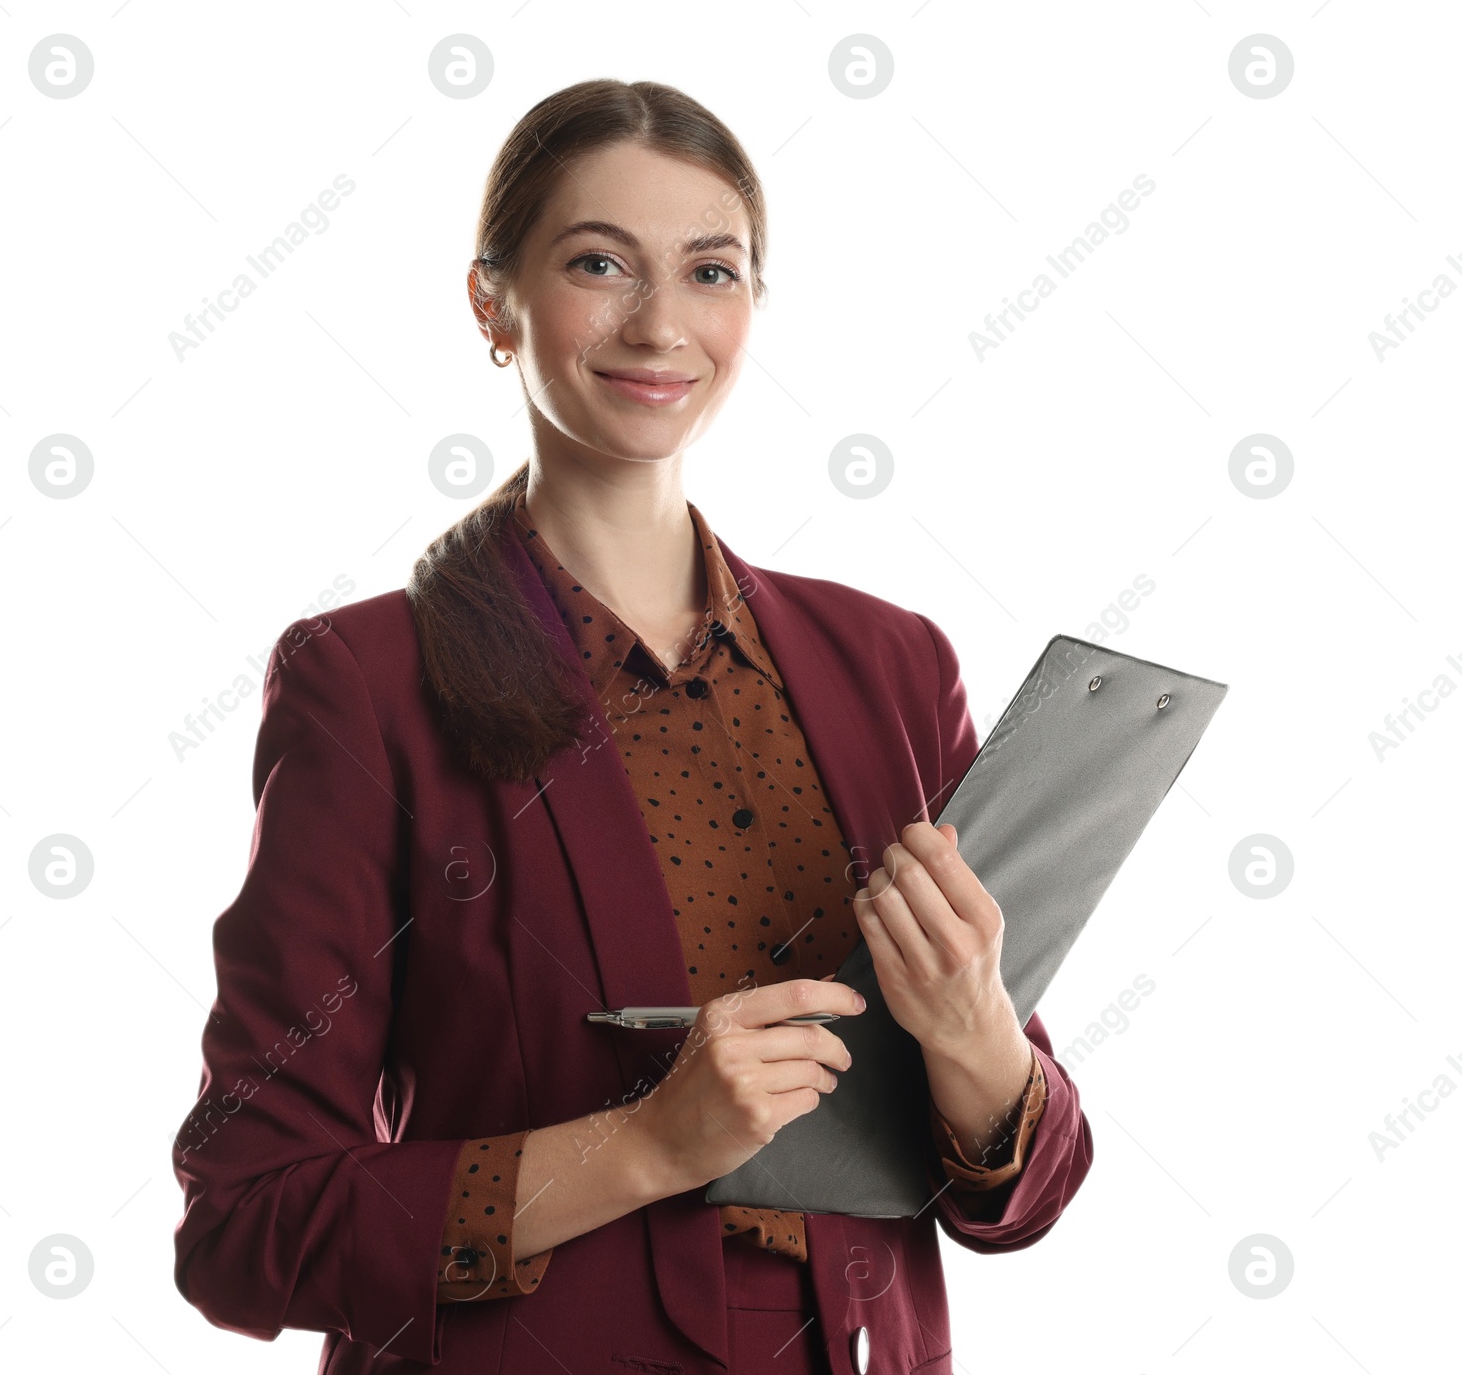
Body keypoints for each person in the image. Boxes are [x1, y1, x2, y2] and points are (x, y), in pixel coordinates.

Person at [171, 78, 1092, 1375]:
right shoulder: (366, 682)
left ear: (754, 306)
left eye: (709, 271)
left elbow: (1024, 1199)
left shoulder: (892, 662)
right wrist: (647, 1147)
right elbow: (245, 1224)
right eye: (599, 263)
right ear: (492, 301)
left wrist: (978, 1040)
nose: (661, 323)